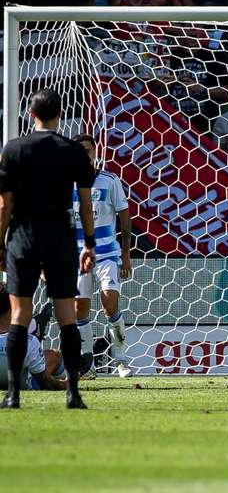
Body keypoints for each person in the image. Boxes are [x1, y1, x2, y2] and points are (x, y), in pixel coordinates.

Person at [0, 89, 97, 409]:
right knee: (66, 315)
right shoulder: (74, 152)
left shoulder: (13, 149)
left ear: (31, 113)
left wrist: (0, 241)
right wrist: (90, 245)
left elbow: (5, 204)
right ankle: (73, 393)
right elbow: (85, 205)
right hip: (61, 235)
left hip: (23, 234)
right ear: (60, 114)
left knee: (19, 314)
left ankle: (13, 395)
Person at [71, 135, 132, 379]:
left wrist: (125, 256)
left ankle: (121, 360)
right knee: (79, 309)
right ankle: (88, 364)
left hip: (107, 254)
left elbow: (125, 218)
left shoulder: (110, 180)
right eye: (80, 151)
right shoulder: (66, 183)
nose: (85, 154)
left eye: (88, 150)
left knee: (110, 305)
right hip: (77, 256)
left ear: (96, 152)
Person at [0, 290, 67, 392]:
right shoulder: (30, 342)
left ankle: (35, 325)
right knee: (55, 355)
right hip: (24, 382)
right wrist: (66, 384)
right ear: (13, 307)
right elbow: (47, 383)